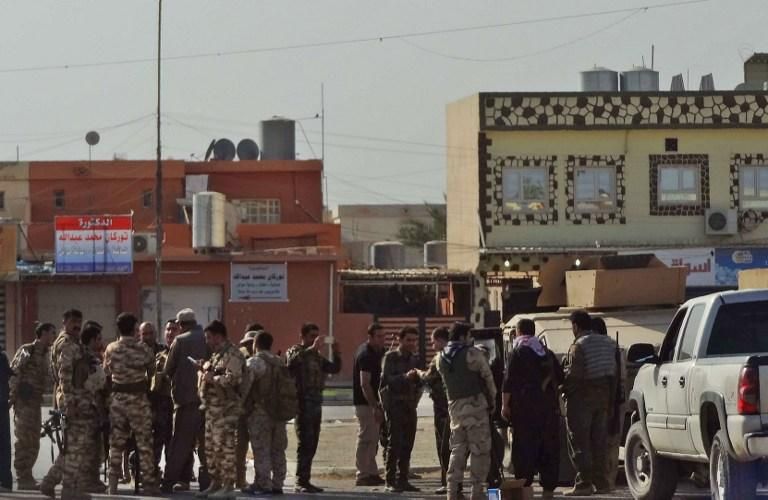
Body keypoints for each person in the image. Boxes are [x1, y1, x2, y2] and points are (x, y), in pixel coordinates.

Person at [40, 309, 103, 500]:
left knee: (73, 446)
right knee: (76, 447)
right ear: (64, 322)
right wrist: (69, 403)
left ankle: (49, 482)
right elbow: (65, 375)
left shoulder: (72, 342)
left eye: (79, 322)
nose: (77, 325)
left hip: (79, 399)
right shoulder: (67, 344)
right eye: (73, 321)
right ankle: (69, 490)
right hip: (76, 401)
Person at [501, 319, 563, 500]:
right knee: (548, 448)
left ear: (519, 332)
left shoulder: (518, 352)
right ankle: (548, 492)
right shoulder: (547, 353)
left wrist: (505, 406)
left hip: (524, 410)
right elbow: (560, 378)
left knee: (524, 450)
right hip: (548, 409)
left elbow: (508, 382)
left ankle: (524, 491)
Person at [436, 322, 497, 500]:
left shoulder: (441, 357)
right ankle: (477, 492)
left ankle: (452, 491)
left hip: (455, 408)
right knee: (480, 450)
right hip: (476, 407)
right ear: (463, 336)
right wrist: (492, 402)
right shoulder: (472, 354)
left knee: (457, 450)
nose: (471, 339)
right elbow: (488, 378)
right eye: (469, 335)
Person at [562, 310, 618, 497]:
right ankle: (601, 483)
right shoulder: (609, 343)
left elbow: (574, 376)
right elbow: (614, 374)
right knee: (599, 442)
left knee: (579, 442)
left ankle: (584, 483)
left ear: (576, 326)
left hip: (582, 399)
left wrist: (562, 388)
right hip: (604, 398)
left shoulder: (579, 345)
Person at [103, 313, 159, 496]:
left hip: (118, 401)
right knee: (144, 444)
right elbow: (152, 372)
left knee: (116, 443)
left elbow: (106, 373)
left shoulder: (111, 349)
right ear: (135, 328)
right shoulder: (143, 349)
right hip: (139, 401)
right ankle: (149, 484)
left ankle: (112, 485)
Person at [285, 322, 342, 493]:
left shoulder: (317, 357)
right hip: (302, 404)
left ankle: (305, 479)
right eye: (311, 336)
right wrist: (312, 348)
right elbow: (291, 364)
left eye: (317, 336)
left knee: (313, 443)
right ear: (302, 337)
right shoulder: (296, 351)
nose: (315, 340)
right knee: (305, 442)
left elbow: (334, 368)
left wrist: (337, 352)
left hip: (316, 404)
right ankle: (300, 481)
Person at [161, 308, 211, 493]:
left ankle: (168, 483)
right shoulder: (207, 338)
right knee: (206, 446)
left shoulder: (180, 341)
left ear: (181, 325)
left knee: (179, 445)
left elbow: (168, 370)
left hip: (186, 401)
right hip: (207, 401)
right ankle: (206, 484)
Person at [195, 320, 245, 499]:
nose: (207, 341)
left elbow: (233, 379)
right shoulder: (216, 355)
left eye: (209, 337)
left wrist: (213, 378)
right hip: (212, 411)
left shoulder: (233, 354)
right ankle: (215, 483)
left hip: (226, 411)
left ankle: (228, 487)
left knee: (226, 449)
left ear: (218, 336)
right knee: (211, 450)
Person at [241, 331, 289, 495]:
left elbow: (245, 387)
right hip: (279, 412)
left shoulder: (254, 362)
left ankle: (263, 483)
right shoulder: (280, 362)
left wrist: (240, 405)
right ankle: (278, 483)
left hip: (260, 413)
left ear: (256, 344)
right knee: (278, 449)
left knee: (261, 449)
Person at [9, 322, 55, 490]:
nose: (53, 336)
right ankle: (23, 477)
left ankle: (27, 475)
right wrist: (12, 397)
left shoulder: (48, 354)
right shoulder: (28, 350)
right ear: (43, 333)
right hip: (24, 401)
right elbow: (15, 372)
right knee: (24, 439)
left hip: (36, 401)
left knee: (34, 440)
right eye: (52, 333)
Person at [380, 326, 422, 493]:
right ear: (400, 339)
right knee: (394, 443)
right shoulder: (390, 357)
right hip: (395, 405)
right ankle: (390, 480)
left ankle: (403, 479)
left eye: (414, 340)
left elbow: (419, 382)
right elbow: (386, 380)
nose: (412, 343)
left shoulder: (414, 359)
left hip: (410, 406)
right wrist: (405, 377)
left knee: (408, 444)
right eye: (408, 340)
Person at [591, 316, 625, 492]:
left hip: (610, 399)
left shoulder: (601, 348)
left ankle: (606, 481)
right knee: (611, 442)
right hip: (615, 398)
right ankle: (607, 481)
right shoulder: (613, 346)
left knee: (605, 442)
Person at [352, 323, 386, 487]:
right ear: (370, 337)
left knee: (373, 439)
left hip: (374, 402)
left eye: (383, 336)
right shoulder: (365, 354)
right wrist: (374, 406)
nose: (382, 339)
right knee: (366, 438)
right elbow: (365, 383)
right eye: (379, 336)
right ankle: (362, 474)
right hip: (366, 403)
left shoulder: (377, 352)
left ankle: (371, 472)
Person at [419, 326, 451, 495]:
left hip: (442, 408)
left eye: (433, 342)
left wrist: (417, 373)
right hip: (458, 407)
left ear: (440, 340)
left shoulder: (440, 357)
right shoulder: (461, 355)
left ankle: (448, 483)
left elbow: (427, 377)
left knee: (443, 445)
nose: (432, 346)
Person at [81, 323, 109, 493]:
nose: (101, 342)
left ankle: (93, 479)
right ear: (92, 340)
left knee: (96, 446)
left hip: (93, 406)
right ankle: (87, 481)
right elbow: (98, 383)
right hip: (88, 406)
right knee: (89, 446)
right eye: (98, 339)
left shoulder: (90, 356)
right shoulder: (86, 358)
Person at [150, 319, 178, 481]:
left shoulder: (183, 354)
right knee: (157, 441)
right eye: (168, 329)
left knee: (175, 443)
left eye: (174, 329)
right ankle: (153, 475)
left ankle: (174, 477)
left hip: (177, 404)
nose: (170, 332)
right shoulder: (159, 355)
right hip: (161, 405)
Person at [235, 323, 262, 489]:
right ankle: (242, 479)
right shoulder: (252, 359)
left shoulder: (245, 358)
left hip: (247, 408)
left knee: (243, 446)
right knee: (246, 446)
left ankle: (242, 479)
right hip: (248, 408)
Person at [0, 341, 12, 493]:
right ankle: (6, 480)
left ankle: (5, 480)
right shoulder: (3, 357)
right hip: (2, 403)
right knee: (4, 443)